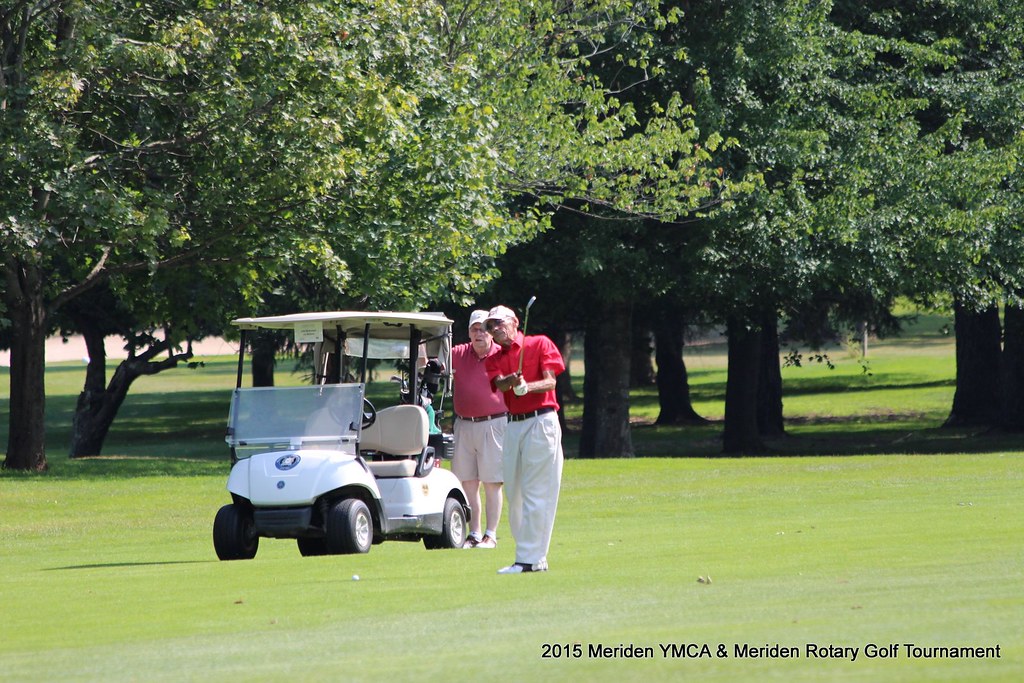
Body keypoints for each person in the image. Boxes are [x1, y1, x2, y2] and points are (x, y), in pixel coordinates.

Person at [484, 304, 565, 574]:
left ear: (515, 322)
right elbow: (500, 384)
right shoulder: (494, 357)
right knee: (514, 493)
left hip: (541, 421)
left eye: (499, 323)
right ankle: (531, 555)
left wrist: (526, 386)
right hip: (514, 425)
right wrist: (512, 381)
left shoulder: (539, 343)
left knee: (536, 491)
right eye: (490, 326)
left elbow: (550, 382)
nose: (495, 329)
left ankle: (528, 560)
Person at [450, 309, 508, 549]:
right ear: (469, 333)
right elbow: (428, 361)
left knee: (492, 481)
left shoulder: (502, 355)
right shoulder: (459, 353)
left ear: (491, 333)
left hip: (494, 424)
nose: (479, 333)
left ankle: (490, 534)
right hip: (464, 424)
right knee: (467, 482)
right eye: (475, 329)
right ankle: (474, 533)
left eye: (484, 329)